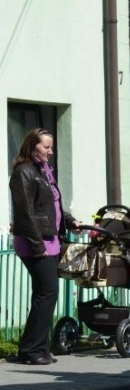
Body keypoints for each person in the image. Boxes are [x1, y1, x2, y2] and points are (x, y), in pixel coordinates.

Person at [9, 128, 81, 365]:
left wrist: (70, 221)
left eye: (51, 147)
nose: (50, 152)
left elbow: (53, 205)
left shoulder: (44, 171)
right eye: (46, 147)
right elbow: (25, 213)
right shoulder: (23, 173)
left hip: (50, 240)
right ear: (32, 147)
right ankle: (31, 350)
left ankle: (37, 348)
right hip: (34, 242)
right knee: (47, 293)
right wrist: (37, 245)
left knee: (45, 294)